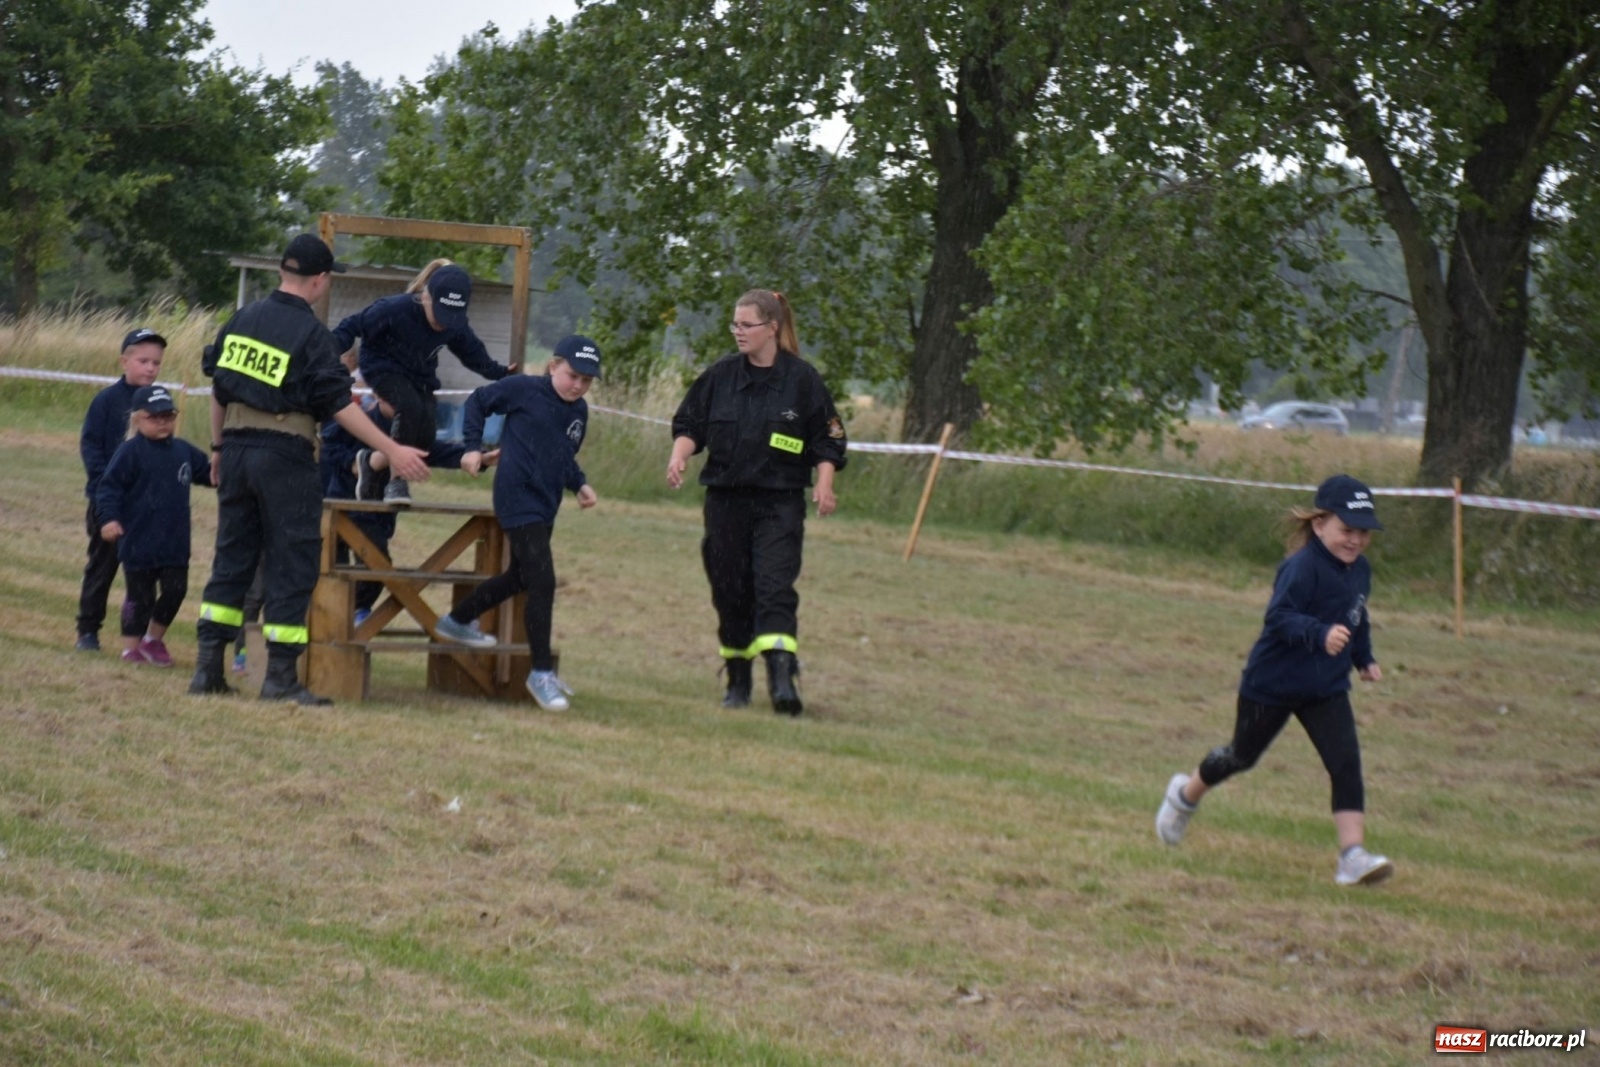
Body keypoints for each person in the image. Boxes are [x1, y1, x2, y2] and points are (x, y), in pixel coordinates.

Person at [190, 233, 430, 705]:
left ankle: (206, 670)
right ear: (320, 281)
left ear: (283, 271)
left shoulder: (243, 318)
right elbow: (339, 405)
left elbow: (219, 389)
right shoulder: (313, 335)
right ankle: (280, 677)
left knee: (232, 556)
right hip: (285, 454)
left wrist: (217, 449)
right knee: (292, 560)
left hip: (235, 449)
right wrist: (392, 449)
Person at [1155, 474, 1395, 887]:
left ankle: (1352, 857)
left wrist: (1363, 656)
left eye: (1363, 533)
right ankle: (1184, 795)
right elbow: (1279, 617)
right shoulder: (1300, 568)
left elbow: (1357, 614)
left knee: (1346, 764)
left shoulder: (1360, 571)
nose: (1355, 541)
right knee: (1240, 757)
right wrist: (1319, 633)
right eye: (1346, 530)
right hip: (1273, 683)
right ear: (1319, 525)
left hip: (1325, 687)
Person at [666, 289, 848, 715]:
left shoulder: (802, 380)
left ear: (772, 328)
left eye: (746, 325)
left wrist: (824, 484)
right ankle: (738, 679)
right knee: (730, 589)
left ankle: (784, 682)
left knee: (774, 587)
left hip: (779, 504)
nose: (738, 333)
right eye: (735, 324)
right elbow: (690, 423)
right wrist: (678, 455)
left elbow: (829, 439)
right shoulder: (721, 375)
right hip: (726, 502)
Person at [434, 335, 600, 711]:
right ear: (553, 366)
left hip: (546, 503)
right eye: (572, 375)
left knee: (521, 577)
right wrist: (472, 446)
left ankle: (458, 619)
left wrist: (580, 484)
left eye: (586, 381)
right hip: (516, 495)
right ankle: (540, 672)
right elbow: (479, 401)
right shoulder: (524, 389)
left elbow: (562, 456)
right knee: (544, 580)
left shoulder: (579, 412)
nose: (578, 385)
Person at [331, 259, 516, 506]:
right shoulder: (394, 309)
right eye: (439, 315)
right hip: (382, 365)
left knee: (424, 435)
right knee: (408, 406)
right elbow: (351, 326)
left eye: (450, 319)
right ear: (426, 297)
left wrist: (500, 372)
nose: (442, 324)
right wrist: (327, 353)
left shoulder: (455, 326)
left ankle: (371, 463)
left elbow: (472, 353)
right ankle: (396, 480)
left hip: (420, 375)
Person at [319, 387, 494, 623]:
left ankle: (356, 611)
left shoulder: (412, 429)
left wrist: (477, 457)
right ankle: (336, 616)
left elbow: (435, 452)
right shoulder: (357, 421)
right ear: (379, 396)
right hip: (341, 506)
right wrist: (356, 462)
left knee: (376, 566)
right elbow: (328, 447)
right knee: (336, 567)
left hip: (378, 513)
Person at [94, 385, 214, 667]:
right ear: (137, 419)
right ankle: (131, 647)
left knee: (176, 590)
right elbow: (109, 489)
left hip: (174, 541)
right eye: (154, 417)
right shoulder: (130, 452)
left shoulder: (182, 450)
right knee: (140, 596)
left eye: (168, 416)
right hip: (138, 540)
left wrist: (235, 469)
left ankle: (153, 640)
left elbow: (210, 473)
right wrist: (109, 519)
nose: (163, 422)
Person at [75, 327, 166, 651]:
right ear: (124, 361)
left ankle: (135, 632)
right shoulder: (106, 402)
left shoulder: (158, 404)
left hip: (145, 508)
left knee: (140, 578)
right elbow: (91, 448)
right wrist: (106, 495)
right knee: (101, 568)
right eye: (143, 361)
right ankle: (88, 630)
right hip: (109, 506)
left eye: (156, 362)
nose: (150, 368)